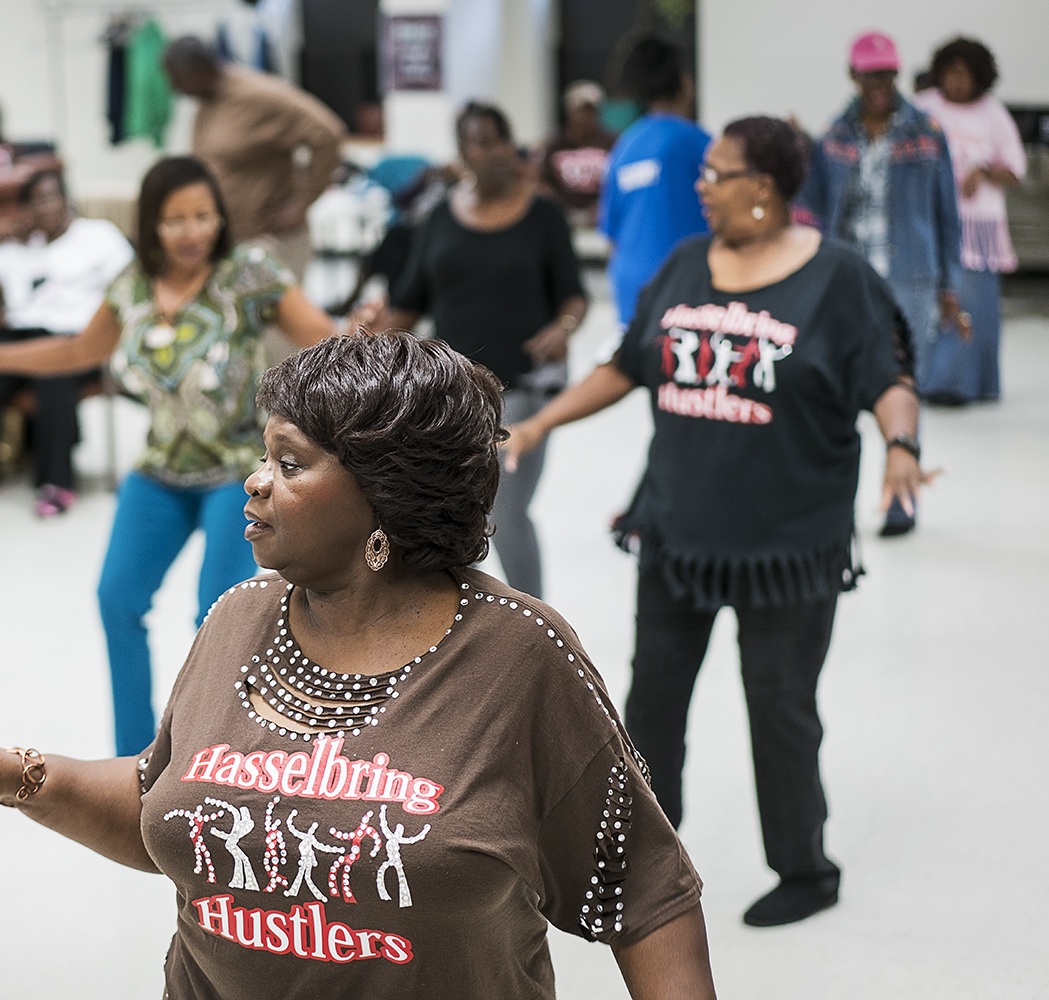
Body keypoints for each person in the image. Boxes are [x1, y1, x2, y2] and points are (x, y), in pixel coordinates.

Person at [0, 330, 719, 999]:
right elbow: (165, 805)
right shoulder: (236, 617)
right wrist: (12, 773)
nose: (253, 484)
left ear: (384, 503)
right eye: (265, 456)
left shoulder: (518, 654)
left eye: (290, 465)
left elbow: (645, 895)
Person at [506, 116, 930, 928]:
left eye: (717, 172)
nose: (700, 184)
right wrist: (539, 423)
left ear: (764, 189)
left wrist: (900, 443)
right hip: (678, 533)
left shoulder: (838, 278)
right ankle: (638, 860)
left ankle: (806, 869)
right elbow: (627, 365)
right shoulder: (685, 263)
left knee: (780, 708)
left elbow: (888, 374)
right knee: (653, 702)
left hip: (787, 546)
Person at [0, 157, 336, 756]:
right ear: (150, 225)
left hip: (238, 473)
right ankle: (135, 762)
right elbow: (76, 351)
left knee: (216, 618)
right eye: (175, 220)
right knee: (117, 599)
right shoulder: (132, 284)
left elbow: (324, 339)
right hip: (160, 470)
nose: (192, 232)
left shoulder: (249, 273)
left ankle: (212, 756)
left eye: (203, 216)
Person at [380, 102, 587, 599]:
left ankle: (538, 623)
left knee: (504, 508)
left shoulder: (542, 215)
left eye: (499, 140)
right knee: (444, 507)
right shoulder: (438, 217)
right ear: (461, 152)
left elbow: (574, 296)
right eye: (480, 142)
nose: (493, 152)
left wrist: (563, 328)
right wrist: (367, 341)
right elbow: (407, 303)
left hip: (523, 388)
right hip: (449, 394)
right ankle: (443, 619)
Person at [799, 31, 963, 534]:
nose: (880, 84)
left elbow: (946, 215)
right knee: (837, 391)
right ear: (854, 75)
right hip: (848, 280)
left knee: (903, 391)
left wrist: (949, 288)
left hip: (912, 281)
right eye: (871, 74)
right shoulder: (834, 136)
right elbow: (814, 212)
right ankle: (835, 505)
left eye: (888, 74)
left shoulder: (927, 131)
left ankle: (900, 501)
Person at [0, 168, 134, 515]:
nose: (42, 208)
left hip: (73, 340)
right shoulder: (16, 250)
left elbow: (132, 287)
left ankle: (56, 483)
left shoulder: (98, 236)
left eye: (49, 198)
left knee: (54, 378)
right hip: (16, 338)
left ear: (66, 201)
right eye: (33, 202)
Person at [163, 36, 344, 283]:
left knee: (276, 321)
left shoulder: (259, 95)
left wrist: (303, 202)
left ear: (199, 69)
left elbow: (328, 135)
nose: (175, 89)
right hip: (230, 242)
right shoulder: (207, 101)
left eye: (177, 78)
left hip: (270, 243)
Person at [912, 37, 1027, 404]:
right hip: (931, 221)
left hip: (977, 231)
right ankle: (926, 380)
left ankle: (964, 384)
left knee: (971, 304)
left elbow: (1016, 167)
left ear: (979, 77)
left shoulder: (993, 114)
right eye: (949, 72)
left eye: (963, 74)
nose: (955, 81)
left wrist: (985, 170)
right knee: (929, 303)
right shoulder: (924, 108)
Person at [601, 36, 710, 329]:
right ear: (685, 84)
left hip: (632, 293)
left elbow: (612, 235)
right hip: (688, 293)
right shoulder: (699, 143)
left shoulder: (624, 146)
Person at [540, 80, 619, 227]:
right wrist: (559, 209)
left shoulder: (612, 143)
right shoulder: (555, 145)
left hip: (602, 220)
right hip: (563, 221)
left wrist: (604, 205)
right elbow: (543, 182)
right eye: (582, 110)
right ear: (569, 111)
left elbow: (621, 179)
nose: (586, 116)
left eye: (592, 110)